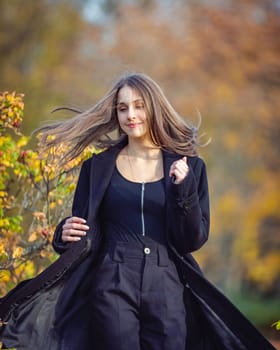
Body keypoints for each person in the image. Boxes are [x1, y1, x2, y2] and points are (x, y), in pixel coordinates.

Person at [0, 73, 276, 350]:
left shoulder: (189, 167)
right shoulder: (97, 168)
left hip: (167, 283)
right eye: (123, 108)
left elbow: (192, 240)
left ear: (154, 108)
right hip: (112, 282)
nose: (131, 115)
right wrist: (63, 232)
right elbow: (85, 233)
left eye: (139, 106)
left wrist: (184, 190)